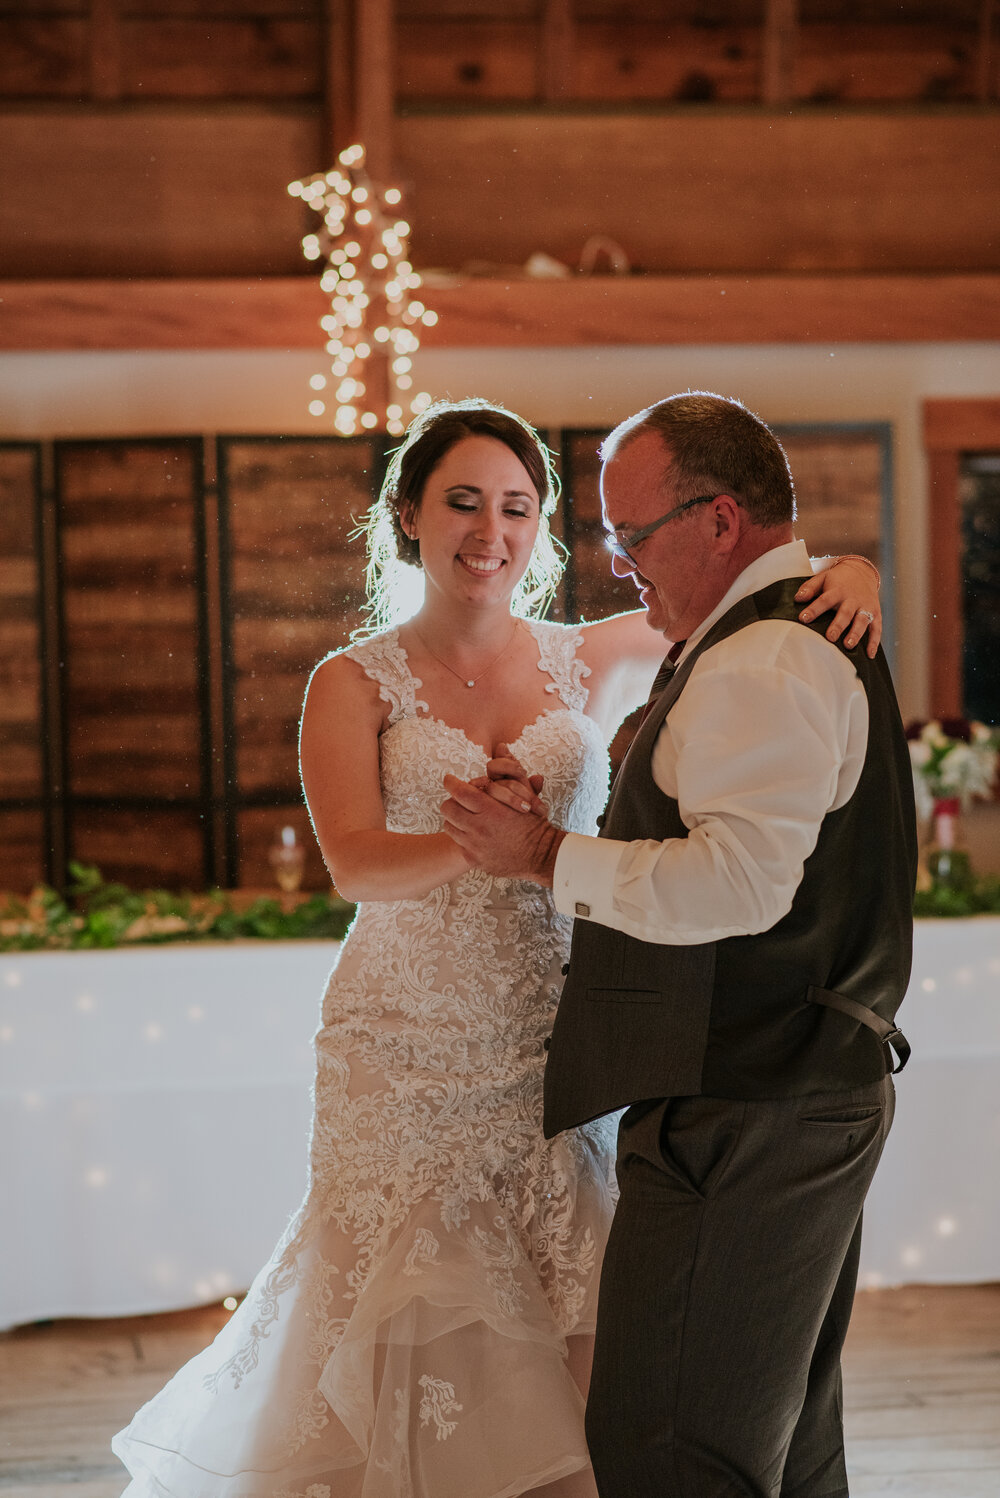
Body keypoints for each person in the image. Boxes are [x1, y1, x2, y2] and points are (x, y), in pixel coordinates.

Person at [112, 398, 883, 1498]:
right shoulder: (351, 682)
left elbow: (755, 590)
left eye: (517, 507)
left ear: (544, 529)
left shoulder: (591, 654)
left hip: (546, 1036)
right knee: (415, 1320)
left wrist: (852, 576)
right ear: (408, 518)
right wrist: (490, 845)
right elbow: (357, 866)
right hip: (401, 1044)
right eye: (464, 502)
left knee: (578, 1330)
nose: (492, 530)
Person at [442, 392, 917, 1498]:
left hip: (750, 1098)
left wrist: (544, 855)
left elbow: (738, 885)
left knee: (667, 1451)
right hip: (786, 1086)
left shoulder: (762, 660)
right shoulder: (768, 634)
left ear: (717, 521)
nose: (619, 563)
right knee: (781, 1450)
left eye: (634, 535)